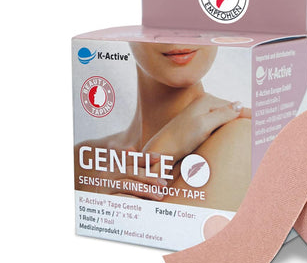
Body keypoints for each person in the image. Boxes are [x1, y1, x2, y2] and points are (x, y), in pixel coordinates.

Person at [74, 42, 251, 210]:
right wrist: (164, 147)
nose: (179, 36)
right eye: (159, 25)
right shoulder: (84, 157)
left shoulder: (239, 138)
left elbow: (170, 231)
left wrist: (160, 150)